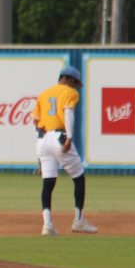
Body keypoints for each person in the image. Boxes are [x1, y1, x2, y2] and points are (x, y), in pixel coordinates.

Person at [33, 65, 97, 236]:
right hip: (59, 137)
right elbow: (68, 112)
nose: (76, 86)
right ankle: (79, 221)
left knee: (48, 182)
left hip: (43, 139)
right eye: (75, 82)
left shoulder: (43, 94)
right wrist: (69, 137)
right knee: (79, 177)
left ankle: (47, 226)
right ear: (67, 78)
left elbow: (36, 123)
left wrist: (40, 158)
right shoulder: (70, 93)